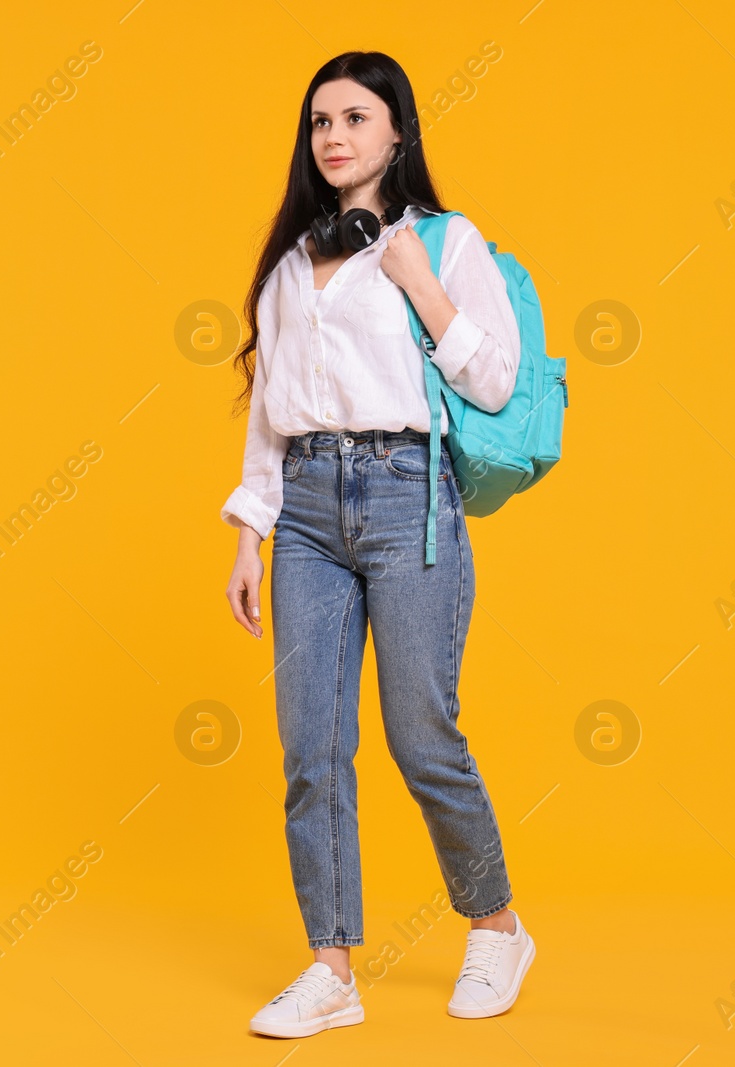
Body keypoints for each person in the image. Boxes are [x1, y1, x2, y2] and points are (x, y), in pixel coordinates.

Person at [220, 51, 537, 1039]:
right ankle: (331, 967)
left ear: (397, 131)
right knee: (310, 746)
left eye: (355, 116)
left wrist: (416, 283)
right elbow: (272, 412)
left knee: (419, 733)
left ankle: (496, 924)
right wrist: (247, 531)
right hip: (308, 509)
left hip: (410, 499)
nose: (333, 136)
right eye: (319, 120)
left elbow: (492, 382)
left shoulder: (443, 242)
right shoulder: (287, 264)